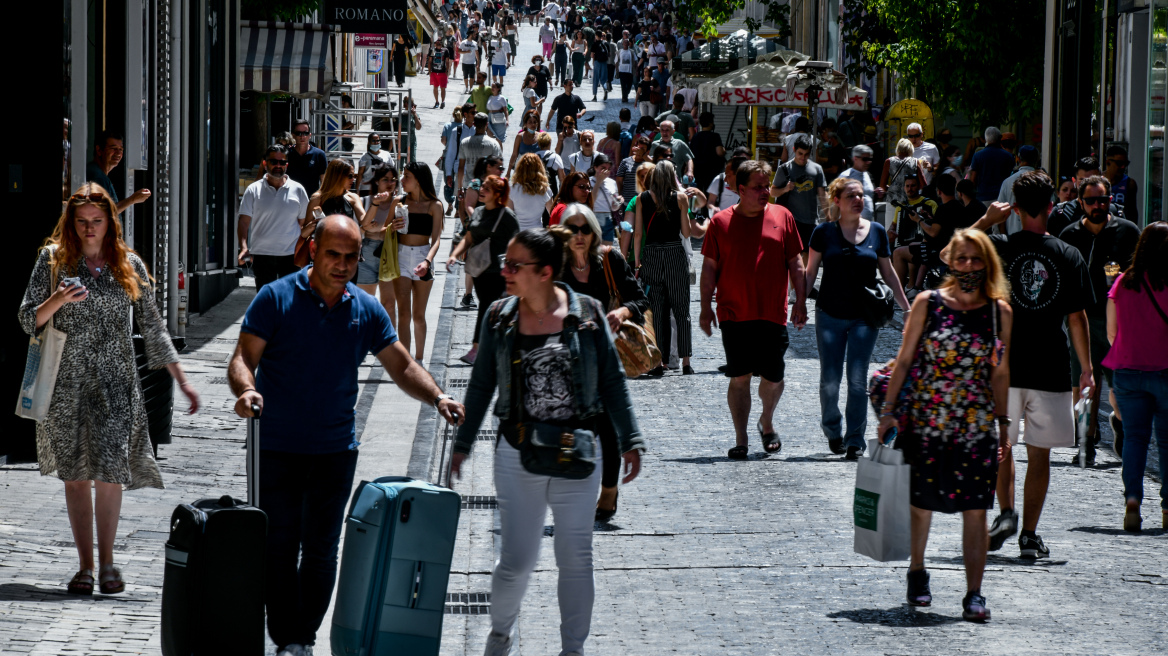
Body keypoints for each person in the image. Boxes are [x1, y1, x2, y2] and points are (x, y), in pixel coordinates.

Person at [228, 215, 464, 656]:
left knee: (320, 550)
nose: (341, 265)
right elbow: (242, 356)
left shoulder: (366, 308)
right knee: (278, 546)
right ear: (313, 249)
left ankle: (301, 639)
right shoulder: (274, 297)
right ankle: (285, 636)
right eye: (333, 254)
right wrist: (246, 390)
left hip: (335, 450)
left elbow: (402, 365)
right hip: (275, 446)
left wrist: (438, 398)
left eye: (351, 257)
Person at [449, 227, 643, 656]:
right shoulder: (499, 316)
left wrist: (630, 438)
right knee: (517, 561)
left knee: (576, 557)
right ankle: (500, 635)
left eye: (516, 265)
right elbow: (481, 386)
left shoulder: (588, 313)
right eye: (506, 263)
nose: (506, 271)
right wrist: (462, 443)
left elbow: (612, 380)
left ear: (546, 273)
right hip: (517, 452)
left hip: (577, 450)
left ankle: (573, 650)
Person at [19, 183, 200, 596]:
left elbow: (154, 327)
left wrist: (183, 381)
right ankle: (85, 566)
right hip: (65, 385)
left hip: (116, 385)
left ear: (110, 222)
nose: (88, 229)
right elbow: (28, 318)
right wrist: (58, 300)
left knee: (111, 474)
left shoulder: (128, 264)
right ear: (71, 222)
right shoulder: (53, 260)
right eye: (81, 222)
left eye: (97, 221)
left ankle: (109, 563)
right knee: (77, 477)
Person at [876, 228, 1013, 624]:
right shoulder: (928, 303)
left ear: (988, 262)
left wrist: (1003, 423)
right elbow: (903, 361)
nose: (969, 266)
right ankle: (917, 571)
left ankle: (974, 593)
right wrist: (889, 410)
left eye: (976, 259)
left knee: (975, 509)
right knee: (922, 506)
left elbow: (1000, 372)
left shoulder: (998, 312)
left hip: (976, 427)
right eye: (962, 258)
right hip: (928, 423)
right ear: (949, 261)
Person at [972, 172, 1095, 560]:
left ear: (1016, 207)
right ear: (1052, 206)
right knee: (1039, 454)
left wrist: (986, 222)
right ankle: (1028, 535)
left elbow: (952, 252)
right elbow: (1077, 318)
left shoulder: (999, 246)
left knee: (1002, 446)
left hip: (1003, 367)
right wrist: (1087, 369)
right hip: (1050, 366)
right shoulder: (1068, 254)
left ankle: (1006, 513)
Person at [700, 160, 808, 458]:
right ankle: (741, 438)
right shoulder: (720, 223)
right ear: (741, 190)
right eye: (758, 187)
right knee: (740, 376)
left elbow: (795, 263)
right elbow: (709, 268)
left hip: (773, 312)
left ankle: (767, 420)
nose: (765, 192)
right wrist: (706, 307)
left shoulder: (783, 216)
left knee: (774, 376)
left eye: (767, 185)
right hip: (734, 313)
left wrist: (800, 300)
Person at [556, 205, 649, 522]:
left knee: (608, 429)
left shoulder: (609, 260)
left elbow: (639, 299)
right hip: (567, 362)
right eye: (572, 229)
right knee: (572, 429)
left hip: (606, 359)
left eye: (585, 229)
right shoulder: (555, 267)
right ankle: (575, 489)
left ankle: (609, 490)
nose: (579, 236)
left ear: (594, 232)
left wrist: (622, 312)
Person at [806, 177, 910, 459]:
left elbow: (888, 272)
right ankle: (832, 430)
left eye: (860, 195)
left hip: (865, 316)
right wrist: (797, 304)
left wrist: (907, 308)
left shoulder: (876, 231)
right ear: (836, 201)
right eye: (850, 195)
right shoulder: (823, 233)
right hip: (829, 314)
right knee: (830, 379)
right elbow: (810, 271)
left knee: (856, 378)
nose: (858, 200)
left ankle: (855, 440)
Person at [1057, 175, 1140, 464]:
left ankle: (1120, 423)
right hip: (1081, 319)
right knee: (1083, 385)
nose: (1097, 205)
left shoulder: (1128, 231)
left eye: (1102, 199)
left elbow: (1140, 274)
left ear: (1110, 200)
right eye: (1091, 200)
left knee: (1119, 388)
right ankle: (1086, 442)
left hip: (1119, 322)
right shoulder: (1069, 236)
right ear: (1080, 202)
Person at [1103, 222, 1168, 532]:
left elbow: (1111, 332)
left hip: (1128, 371)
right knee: (1166, 442)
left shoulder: (1122, 283)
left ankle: (1132, 499)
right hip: (1165, 370)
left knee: (1135, 438)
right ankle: (1167, 507)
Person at [446, 175, 520, 365]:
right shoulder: (478, 212)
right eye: (483, 186)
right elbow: (468, 238)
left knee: (486, 307)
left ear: (497, 194)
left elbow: (518, 242)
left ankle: (477, 349)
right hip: (478, 271)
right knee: (488, 308)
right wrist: (455, 254)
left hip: (497, 272)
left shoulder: (506, 215)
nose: (482, 189)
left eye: (487, 188)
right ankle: (496, 347)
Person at [634, 161, 700, 376]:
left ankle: (660, 362)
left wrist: (637, 262)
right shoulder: (680, 198)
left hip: (652, 254)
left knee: (657, 311)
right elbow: (687, 233)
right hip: (674, 254)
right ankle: (686, 361)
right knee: (681, 309)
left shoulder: (642, 199)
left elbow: (637, 234)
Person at [238, 145, 310, 288]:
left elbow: (304, 225)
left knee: (289, 302)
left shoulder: (298, 190)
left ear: (286, 165)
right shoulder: (253, 190)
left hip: (291, 256)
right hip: (262, 255)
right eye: (273, 162)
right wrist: (244, 247)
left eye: (282, 162)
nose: (278, 165)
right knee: (266, 303)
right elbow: (244, 222)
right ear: (265, 164)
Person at [770, 134, 828, 262]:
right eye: (800, 153)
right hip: (792, 222)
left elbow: (822, 195)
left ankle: (805, 282)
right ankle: (796, 282)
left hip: (811, 221)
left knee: (809, 259)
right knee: (794, 260)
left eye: (806, 154)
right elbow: (772, 192)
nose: (803, 158)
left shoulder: (817, 169)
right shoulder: (785, 169)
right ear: (794, 149)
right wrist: (785, 189)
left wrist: (829, 217)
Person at [356, 163, 402, 322]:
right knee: (365, 303)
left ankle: (388, 344)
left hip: (388, 255)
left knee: (389, 304)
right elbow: (362, 229)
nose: (390, 183)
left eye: (393, 180)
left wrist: (375, 230)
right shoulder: (365, 201)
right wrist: (383, 229)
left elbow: (398, 231)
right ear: (376, 181)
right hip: (367, 254)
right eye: (385, 179)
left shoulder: (398, 204)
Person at [889, 176, 939, 289]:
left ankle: (905, 289)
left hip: (926, 244)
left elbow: (937, 225)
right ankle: (906, 289)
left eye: (913, 185)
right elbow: (893, 226)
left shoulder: (930, 204)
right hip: (904, 244)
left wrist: (925, 219)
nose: (910, 189)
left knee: (911, 247)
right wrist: (891, 231)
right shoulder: (900, 207)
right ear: (904, 188)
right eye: (907, 186)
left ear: (919, 187)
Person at [85, 130, 151, 213]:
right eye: (113, 148)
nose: (118, 153)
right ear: (99, 150)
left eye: (121, 149)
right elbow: (103, 213)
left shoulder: (100, 174)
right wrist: (132, 199)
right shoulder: (97, 176)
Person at [303, 159, 366, 237]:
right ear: (337, 176)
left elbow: (364, 221)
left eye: (354, 176)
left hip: (345, 246)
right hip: (324, 246)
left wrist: (375, 203)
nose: (353, 179)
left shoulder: (353, 197)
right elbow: (304, 232)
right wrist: (314, 225)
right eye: (350, 176)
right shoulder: (318, 199)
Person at [995, 145, 1040, 235]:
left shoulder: (1007, 182)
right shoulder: (1043, 181)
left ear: (1018, 159)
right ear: (1036, 160)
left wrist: (1004, 239)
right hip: (1038, 239)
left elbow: (1000, 213)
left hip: (1013, 237)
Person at [442, 105, 476, 214]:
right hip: (461, 171)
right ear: (465, 115)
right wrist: (448, 174)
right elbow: (451, 153)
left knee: (473, 201)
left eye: (475, 112)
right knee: (462, 201)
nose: (475, 115)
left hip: (475, 171)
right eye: (472, 113)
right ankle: (464, 226)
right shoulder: (457, 131)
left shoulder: (478, 130)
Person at [508, 152, 556, 231]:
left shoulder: (511, 188)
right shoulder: (545, 189)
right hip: (537, 234)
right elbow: (553, 214)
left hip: (518, 234)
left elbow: (509, 215)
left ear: (520, 168)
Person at [458, 113, 505, 190]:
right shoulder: (494, 143)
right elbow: (498, 167)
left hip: (469, 185)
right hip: (487, 187)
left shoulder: (464, 142)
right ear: (487, 124)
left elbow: (461, 168)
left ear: (474, 124)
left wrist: (460, 188)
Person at [968, 127, 1015, 203]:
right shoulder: (1008, 156)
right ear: (1000, 138)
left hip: (983, 197)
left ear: (986, 139)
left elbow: (973, 179)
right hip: (1002, 197)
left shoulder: (978, 155)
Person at [286, 119, 328, 197]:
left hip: (311, 201)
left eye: (305, 133)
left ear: (310, 135)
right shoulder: (286, 154)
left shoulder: (319, 155)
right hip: (289, 200)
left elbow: (324, 183)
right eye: (299, 133)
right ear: (293, 135)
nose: (302, 136)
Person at [839, 144, 881, 220]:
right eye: (865, 159)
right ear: (855, 158)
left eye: (870, 159)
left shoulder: (868, 175)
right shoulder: (846, 176)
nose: (868, 162)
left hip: (868, 223)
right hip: (851, 224)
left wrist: (877, 193)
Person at [879, 138, 922, 210]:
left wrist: (892, 189)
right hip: (911, 201)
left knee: (892, 221)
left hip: (893, 201)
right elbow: (923, 184)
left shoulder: (889, 161)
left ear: (898, 149)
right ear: (911, 149)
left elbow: (882, 186)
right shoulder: (915, 162)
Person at [589, 153, 622, 245]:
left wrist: (618, 202)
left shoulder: (612, 183)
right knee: (593, 248)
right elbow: (590, 201)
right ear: (595, 167)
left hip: (608, 218)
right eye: (603, 168)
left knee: (607, 250)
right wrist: (599, 181)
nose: (606, 171)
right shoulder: (588, 181)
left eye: (608, 169)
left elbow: (613, 207)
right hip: (593, 217)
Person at [689, 111, 725, 191]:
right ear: (711, 123)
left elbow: (691, 153)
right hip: (711, 170)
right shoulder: (715, 136)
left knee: (699, 191)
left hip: (698, 170)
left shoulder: (695, 137)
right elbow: (720, 152)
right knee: (711, 191)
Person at [615, 134, 653, 203]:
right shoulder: (625, 161)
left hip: (645, 202)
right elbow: (619, 181)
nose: (639, 151)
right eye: (638, 148)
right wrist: (619, 196)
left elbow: (657, 168)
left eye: (642, 149)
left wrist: (645, 156)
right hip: (627, 201)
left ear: (648, 151)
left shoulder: (649, 162)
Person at [507, 109, 543, 176]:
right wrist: (508, 172)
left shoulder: (541, 137)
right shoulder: (520, 137)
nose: (533, 124)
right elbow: (514, 155)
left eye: (535, 122)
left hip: (536, 171)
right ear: (525, 124)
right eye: (530, 122)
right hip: (521, 171)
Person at [904, 122, 938, 188]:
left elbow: (939, 169)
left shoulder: (931, 148)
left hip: (927, 188)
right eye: (910, 136)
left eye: (916, 136)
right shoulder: (905, 149)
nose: (914, 139)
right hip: (910, 189)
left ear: (922, 134)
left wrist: (931, 168)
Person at [429, 33, 452, 108]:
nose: (438, 45)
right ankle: (436, 101)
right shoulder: (432, 50)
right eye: (437, 43)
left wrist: (447, 70)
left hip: (442, 72)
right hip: (434, 72)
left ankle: (443, 101)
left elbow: (447, 61)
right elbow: (430, 61)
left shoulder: (445, 50)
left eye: (440, 43)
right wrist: (429, 71)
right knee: (435, 87)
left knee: (443, 88)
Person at [617, 36, 636, 102]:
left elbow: (635, 61)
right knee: (623, 85)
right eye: (624, 42)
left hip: (629, 71)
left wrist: (636, 70)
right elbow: (616, 61)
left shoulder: (632, 52)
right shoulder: (619, 52)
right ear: (622, 44)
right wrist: (617, 70)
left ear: (629, 44)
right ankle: (624, 97)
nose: (625, 44)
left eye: (627, 42)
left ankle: (626, 94)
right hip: (622, 71)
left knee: (629, 84)